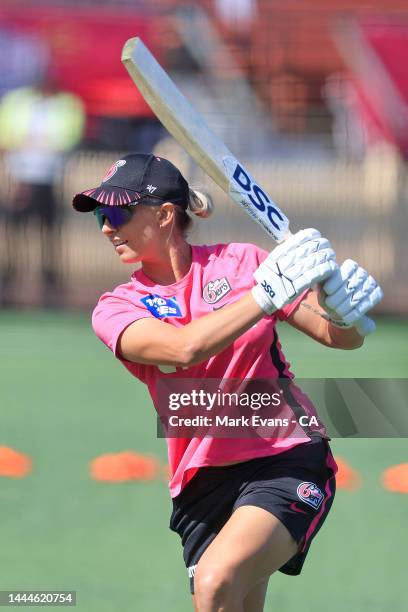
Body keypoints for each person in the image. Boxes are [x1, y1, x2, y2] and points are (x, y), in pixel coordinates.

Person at [72, 153, 383, 612]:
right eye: (100, 215)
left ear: (163, 214)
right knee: (230, 601)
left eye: (117, 213)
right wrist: (263, 295)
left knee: (215, 584)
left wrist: (344, 311)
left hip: (286, 458)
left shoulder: (243, 264)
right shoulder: (117, 307)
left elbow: (339, 337)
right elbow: (183, 349)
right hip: (201, 482)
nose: (105, 227)